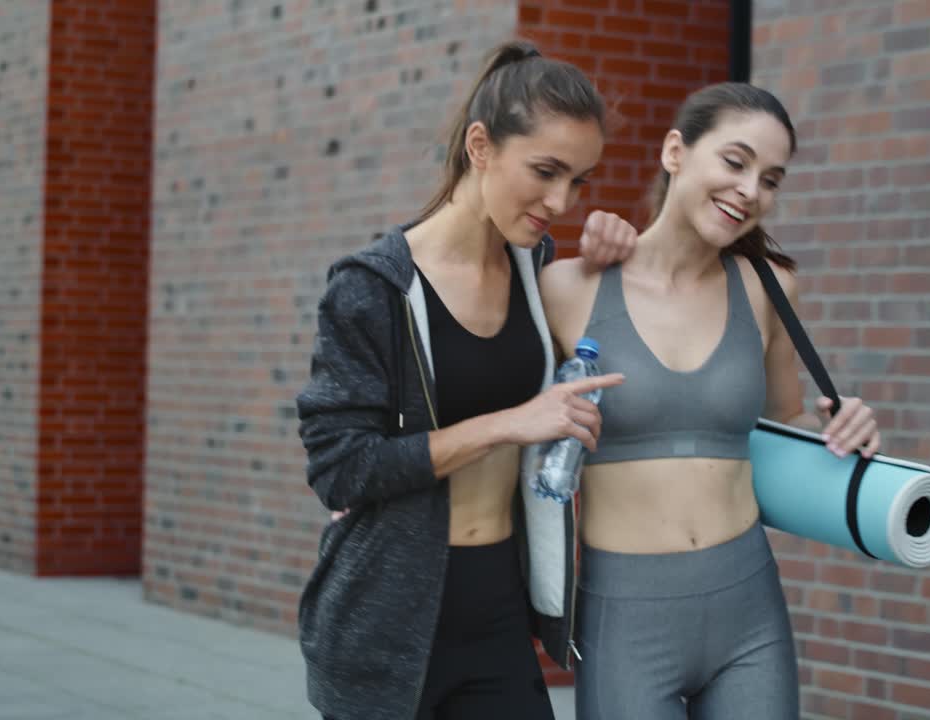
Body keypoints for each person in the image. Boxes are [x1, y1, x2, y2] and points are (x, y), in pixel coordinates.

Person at [294, 41, 634, 720]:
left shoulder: (535, 270)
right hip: (388, 618)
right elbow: (341, 470)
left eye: (580, 181)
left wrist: (619, 253)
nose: (562, 200)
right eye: (545, 171)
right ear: (480, 146)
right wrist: (510, 424)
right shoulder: (373, 288)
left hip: (499, 610)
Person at [541, 82, 882, 719]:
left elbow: (787, 424)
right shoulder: (567, 286)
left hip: (748, 611)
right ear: (676, 151)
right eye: (735, 161)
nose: (752, 189)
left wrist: (842, 430)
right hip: (625, 616)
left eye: (771, 178)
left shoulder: (770, 287)